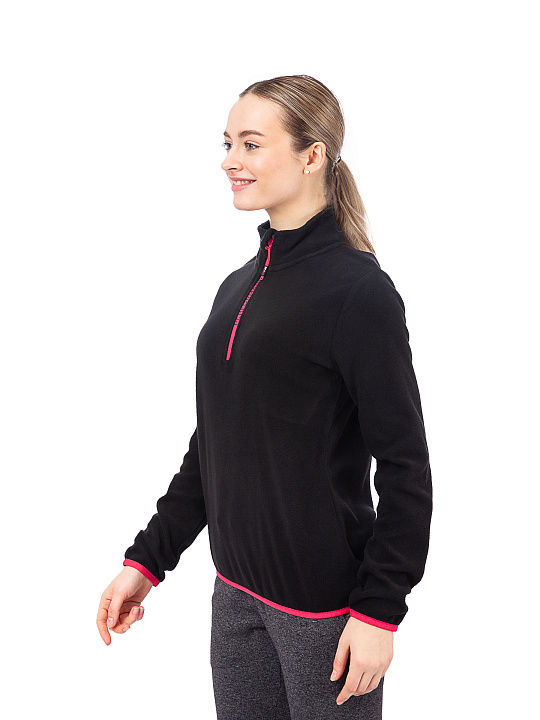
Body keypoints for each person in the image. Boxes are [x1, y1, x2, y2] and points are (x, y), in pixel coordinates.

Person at [96, 74, 433, 719]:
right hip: (235, 594)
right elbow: (215, 445)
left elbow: (405, 467)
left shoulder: (359, 293)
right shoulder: (238, 287)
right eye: (227, 143)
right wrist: (148, 560)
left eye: (251, 144)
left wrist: (379, 613)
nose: (230, 160)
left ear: (312, 156)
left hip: (326, 614)